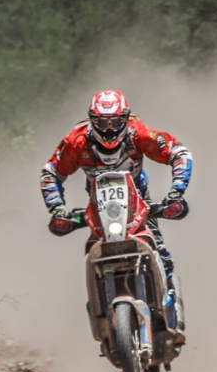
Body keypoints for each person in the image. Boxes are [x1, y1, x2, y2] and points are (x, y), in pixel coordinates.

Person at [40, 89, 192, 293]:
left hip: (138, 198)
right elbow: (51, 172)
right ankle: (99, 305)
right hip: (98, 204)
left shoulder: (139, 133)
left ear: (126, 119)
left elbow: (179, 152)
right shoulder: (76, 141)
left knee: (159, 247)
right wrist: (57, 208)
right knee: (92, 249)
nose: (109, 129)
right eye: (102, 123)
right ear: (92, 120)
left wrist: (176, 192)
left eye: (116, 122)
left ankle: (171, 296)